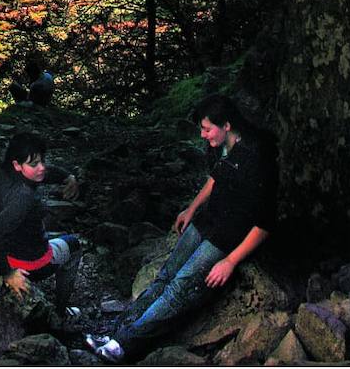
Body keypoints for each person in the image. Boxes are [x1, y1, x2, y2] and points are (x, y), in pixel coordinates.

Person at [87, 94, 277, 363]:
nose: (202, 135)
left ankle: (124, 344)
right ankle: (116, 333)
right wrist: (191, 209)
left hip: (227, 236)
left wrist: (230, 261)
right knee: (164, 277)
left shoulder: (257, 156)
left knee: (179, 289)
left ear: (226, 125)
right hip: (207, 221)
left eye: (207, 129)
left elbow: (265, 223)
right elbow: (216, 178)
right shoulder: (222, 146)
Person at [0, 129, 82, 315]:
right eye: (34, 163)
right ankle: (61, 312)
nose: (41, 167)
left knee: (45, 232)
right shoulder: (24, 196)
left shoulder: (6, 174)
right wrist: (8, 273)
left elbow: (43, 173)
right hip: (26, 265)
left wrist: (67, 177)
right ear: (17, 165)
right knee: (74, 245)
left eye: (42, 160)